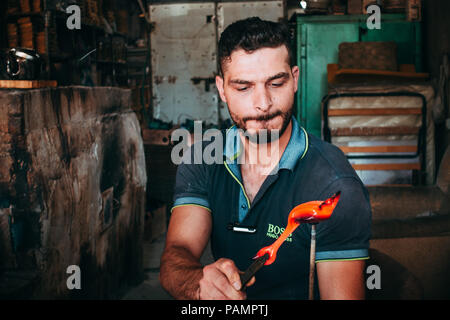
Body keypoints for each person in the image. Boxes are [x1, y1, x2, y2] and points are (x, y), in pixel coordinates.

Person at [159, 17, 371, 300]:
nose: (263, 104)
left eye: (276, 83)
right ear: (222, 89)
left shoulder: (334, 185)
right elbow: (176, 256)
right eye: (243, 87)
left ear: (295, 79)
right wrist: (197, 282)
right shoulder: (202, 159)